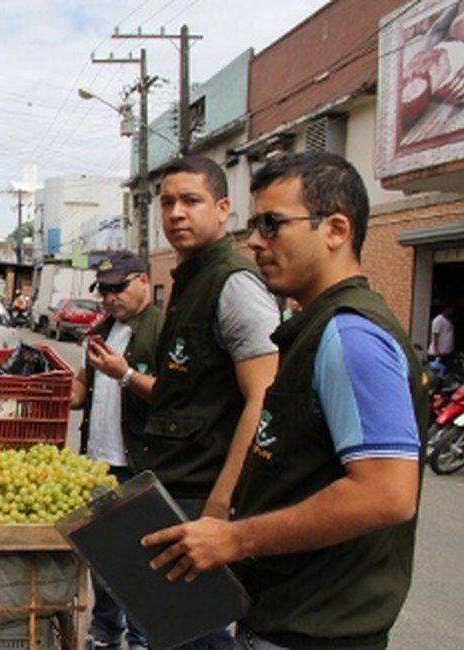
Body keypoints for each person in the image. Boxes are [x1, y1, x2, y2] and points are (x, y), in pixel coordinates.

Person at [143, 152, 425, 650]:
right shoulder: (316, 327)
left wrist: (236, 537)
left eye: (272, 224)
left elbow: (386, 493)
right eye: (254, 226)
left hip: (316, 630)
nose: (255, 241)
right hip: (284, 616)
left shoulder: (350, 335)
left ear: (335, 229)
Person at [91, 156, 280, 649]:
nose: (176, 212)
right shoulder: (190, 279)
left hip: (204, 492)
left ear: (223, 209)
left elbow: (265, 397)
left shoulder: (233, 283)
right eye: (168, 202)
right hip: (175, 483)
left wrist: (220, 505)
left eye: (191, 200)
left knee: (195, 631)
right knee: (168, 626)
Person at [70, 250, 162, 650]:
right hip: (98, 464)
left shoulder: (162, 329)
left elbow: (178, 398)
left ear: (143, 280)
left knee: (143, 563)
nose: (109, 298)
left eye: (117, 288)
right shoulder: (104, 329)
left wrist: (125, 375)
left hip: (138, 464)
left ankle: (142, 638)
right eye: (103, 290)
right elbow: (81, 388)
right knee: (104, 558)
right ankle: (106, 630)